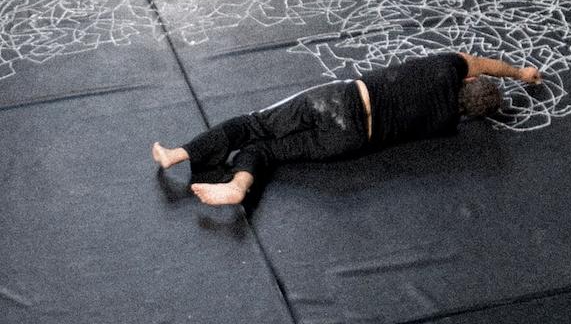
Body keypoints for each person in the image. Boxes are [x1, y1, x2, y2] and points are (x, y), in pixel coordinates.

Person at [152, 52, 542, 206]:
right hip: (351, 140)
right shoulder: (446, 125)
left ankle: (181, 153)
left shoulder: (447, 68)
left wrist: (521, 72)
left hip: (342, 102)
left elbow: (481, 62)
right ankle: (239, 186)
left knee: (252, 124)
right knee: (269, 151)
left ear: (470, 84)